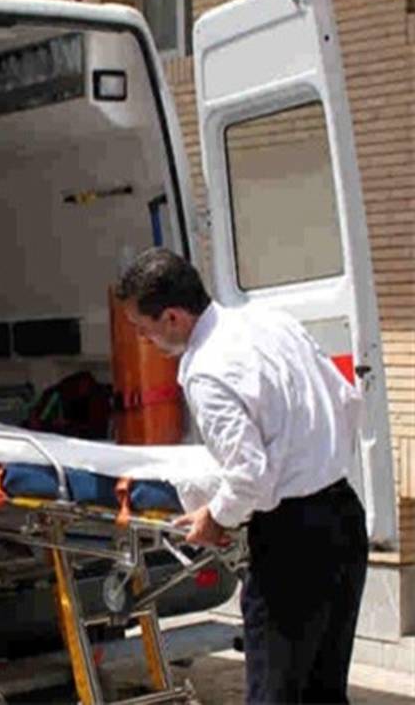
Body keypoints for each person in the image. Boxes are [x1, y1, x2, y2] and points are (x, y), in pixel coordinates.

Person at [115, 247, 368, 704]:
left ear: (172, 317)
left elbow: (249, 476)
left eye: (142, 327)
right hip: (344, 519)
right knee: (324, 692)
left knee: (274, 694)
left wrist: (215, 517)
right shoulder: (273, 322)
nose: (142, 338)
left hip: (293, 541)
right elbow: (346, 401)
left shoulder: (207, 370)